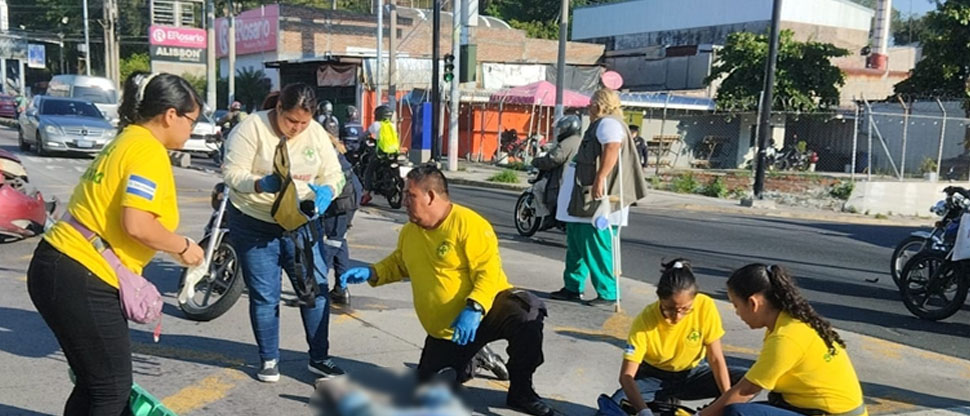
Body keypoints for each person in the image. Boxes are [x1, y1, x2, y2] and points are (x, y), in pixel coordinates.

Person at [27, 71, 206, 415]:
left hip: (60, 264)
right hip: (83, 273)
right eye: (191, 121)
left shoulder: (127, 139)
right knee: (111, 389)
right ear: (171, 115)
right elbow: (137, 224)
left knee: (95, 384)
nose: (192, 130)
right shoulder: (148, 151)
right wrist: (183, 247)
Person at [340, 165, 555, 416]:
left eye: (410, 195)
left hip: (485, 312)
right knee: (428, 394)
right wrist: (372, 272)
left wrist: (474, 307)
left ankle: (521, 391)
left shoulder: (469, 224)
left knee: (526, 312)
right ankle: (475, 356)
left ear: (431, 196)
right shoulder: (410, 232)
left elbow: (487, 272)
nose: (405, 201)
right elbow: (400, 262)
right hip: (447, 331)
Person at [223, 83, 347, 383]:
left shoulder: (315, 133)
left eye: (304, 122)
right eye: (292, 120)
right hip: (255, 222)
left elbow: (334, 174)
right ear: (278, 108)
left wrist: (328, 191)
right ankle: (269, 358)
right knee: (265, 295)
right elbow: (231, 173)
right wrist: (259, 183)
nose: (297, 128)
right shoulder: (251, 128)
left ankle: (319, 358)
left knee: (315, 291)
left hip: (301, 223)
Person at [699, 264, 867, 416]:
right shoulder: (791, 322)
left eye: (736, 305)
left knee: (737, 412)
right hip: (821, 409)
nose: (737, 313)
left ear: (753, 303)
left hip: (831, 413)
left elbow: (746, 391)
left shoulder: (785, 338)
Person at [598, 259, 746, 416]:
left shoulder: (705, 306)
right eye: (670, 309)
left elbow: (715, 359)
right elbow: (626, 376)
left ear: (694, 299)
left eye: (685, 309)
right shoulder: (645, 320)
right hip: (653, 378)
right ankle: (658, 404)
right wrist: (643, 412)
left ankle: (705, 413)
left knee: (745, 381)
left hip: (692, 374)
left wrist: (725, 401)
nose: (677, 316)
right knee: (616, 404)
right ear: (660, 299)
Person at [549, 88, 648, 306]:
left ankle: (608, 292)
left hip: (597, 200)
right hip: (581, 198)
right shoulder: (601, 124)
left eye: (592, 103)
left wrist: (600, 178)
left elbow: (612, 147)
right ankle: (572, 286)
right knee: (576, 245)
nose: (589, 107)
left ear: (599, 105)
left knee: (596, 246)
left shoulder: (608, 124)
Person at [320, 125, 363, 306]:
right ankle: (341, 288)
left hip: (342, 202)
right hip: (347, 197)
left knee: (332, 243)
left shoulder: (324, 149)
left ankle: (315, 290)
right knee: (339, 241)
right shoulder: (332, 148)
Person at [531, 114, 582, 212]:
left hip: (560, 181)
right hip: (573, 180)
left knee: (537, 188)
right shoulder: (579, 140)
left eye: (562, 129)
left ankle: (544, 214)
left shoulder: (566, 143)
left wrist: (536, 162)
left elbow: (553, 159)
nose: (560, 131)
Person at [361, 104, 400, 205]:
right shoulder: (392, 125)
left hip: (381, 154)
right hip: (394, 153)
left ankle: (366, 194)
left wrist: (362, 138)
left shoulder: (376, 125)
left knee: (368, 171)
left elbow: (365, 134)